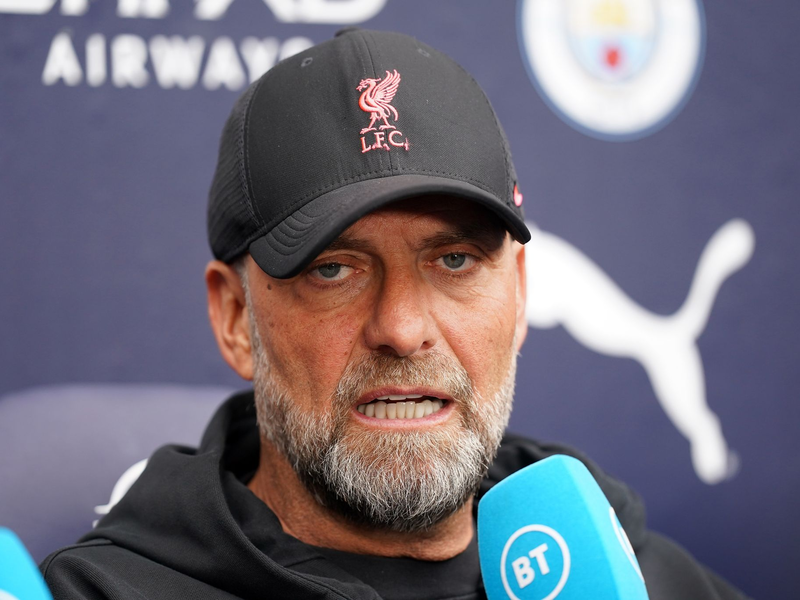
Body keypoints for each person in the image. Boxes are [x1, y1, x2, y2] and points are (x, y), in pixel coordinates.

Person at [40, 29, 747, 600]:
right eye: (334, 269)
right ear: (234, 317)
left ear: (521, 295)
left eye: (455, 261)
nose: (403, 329)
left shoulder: (652, 580)